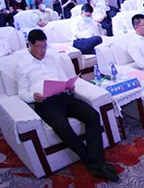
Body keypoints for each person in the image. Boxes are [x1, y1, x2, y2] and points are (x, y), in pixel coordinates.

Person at [17, 29, 118, 182]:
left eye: (44, 47)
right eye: (38, 47)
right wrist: (33, 96)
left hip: (63, 96)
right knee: (63, 127)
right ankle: (94, 163)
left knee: (92, 115)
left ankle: (96, 162)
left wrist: (69, 86)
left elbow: (63, 78)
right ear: (30, 45)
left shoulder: (52, 58)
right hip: (44, 102)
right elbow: (21, 92)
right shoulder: (22, 65)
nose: (43, 51)